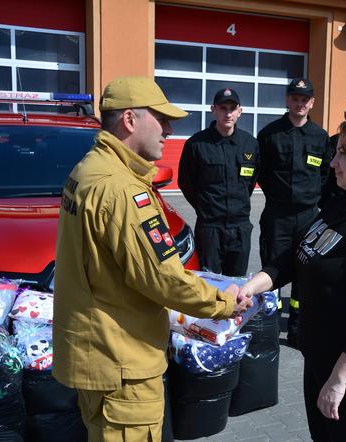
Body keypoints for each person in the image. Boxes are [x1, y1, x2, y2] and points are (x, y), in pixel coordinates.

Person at [53, 76, 252, 441]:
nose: (169, 130)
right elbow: (164, 279)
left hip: (100, 353)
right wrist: (226, 303)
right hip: (122, 363)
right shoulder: (121, 189)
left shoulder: (89, 169)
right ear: (130, 120)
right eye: (161, 120)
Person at [240, 117, 346, 441]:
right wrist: (252, 285)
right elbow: (296, 255)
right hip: (321, 357)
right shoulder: (340, 204)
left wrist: (338, 379)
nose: (332, 162)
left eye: (342, 155)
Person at [257, 77, 331, 346]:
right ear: (287, 100)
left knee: (305, 271)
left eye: (305, 99)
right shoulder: (269, 134)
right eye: (295, 98)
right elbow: (261, 173)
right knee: (273, 268)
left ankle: (298, 327)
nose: (300, 103)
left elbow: (325, 174)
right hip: (278, 214)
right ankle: (270, 327)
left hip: (309, 216)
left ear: (312, 103)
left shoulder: (320, 137)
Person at [178, 88, 259, 276]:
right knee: (210, 283)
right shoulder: (196, 144)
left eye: (232, 108)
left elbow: (251, 181)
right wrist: (206, 208)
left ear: (240, 111)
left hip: (240, 228)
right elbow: (186, 183)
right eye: (223, 108)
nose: (228, 113)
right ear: (213, 109)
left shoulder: (250, 144)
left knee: (237, 283)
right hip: (210, 229)